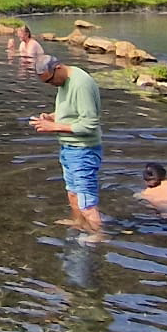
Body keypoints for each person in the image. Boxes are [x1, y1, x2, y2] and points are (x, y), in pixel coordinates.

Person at [31, 55, 103, 239]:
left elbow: (89, 124)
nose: (51, 84)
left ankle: (99, 235)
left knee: (86, 201)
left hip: (84, 150)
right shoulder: (63, 83)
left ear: (58, 67)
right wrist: (52, 117)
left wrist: (54, 127)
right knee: (72, 193)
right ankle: (79, 223)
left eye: (50, 80)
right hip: (69, 149)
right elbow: (71, 112)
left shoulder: (81, 84)